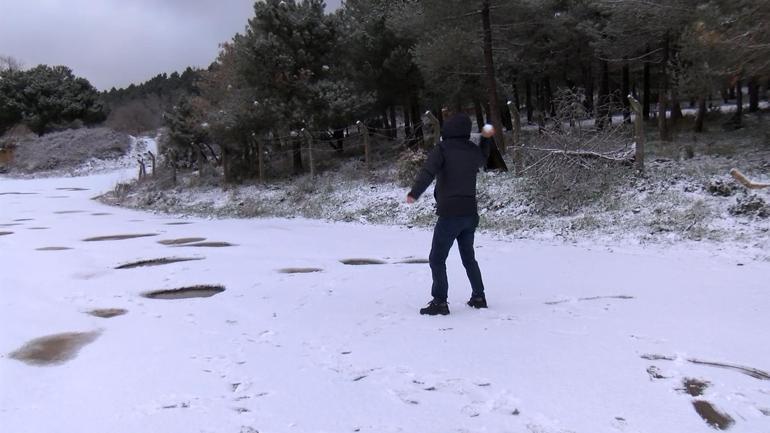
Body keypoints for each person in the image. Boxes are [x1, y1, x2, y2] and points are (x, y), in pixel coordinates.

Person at [406, 112, 493, 315]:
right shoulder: (472, 149)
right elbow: (483, 159)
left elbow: (428, 172)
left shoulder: (442, 149)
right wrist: (486, 139)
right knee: (468, 257)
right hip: (470, 213)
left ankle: (440, 302)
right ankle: (479, 297)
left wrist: (414, 193)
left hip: (450, 214)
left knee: (437, 259)